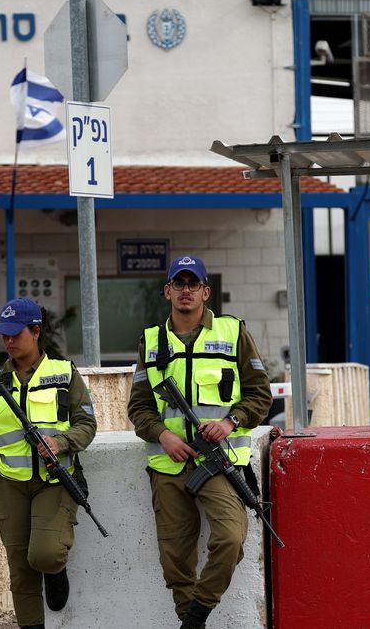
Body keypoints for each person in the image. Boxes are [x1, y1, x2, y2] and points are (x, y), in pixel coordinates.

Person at [126, 255, 272, 629]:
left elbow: (260, 394)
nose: (186, 290)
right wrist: (163, 435)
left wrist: (230, 421)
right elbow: (139, 407)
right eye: (179, 283)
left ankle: (196, 614)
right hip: (169, 463)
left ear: (206, 292)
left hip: (219, 459)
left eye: (194, 284)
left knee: (230, 539)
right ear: (167, 291)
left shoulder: (232, 333)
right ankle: (190, 621)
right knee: (175, 557)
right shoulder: (151, 341)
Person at [0, 297, 97, 629]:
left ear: (36, 332)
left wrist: (60, 442)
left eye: (15, 333)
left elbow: (87, 424)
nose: (8, 341)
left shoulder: (64, 374)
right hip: (8, 484)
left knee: (45, 555)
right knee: (20, 571)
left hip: (53, 481)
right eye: (4, 335)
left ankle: (55, 570)